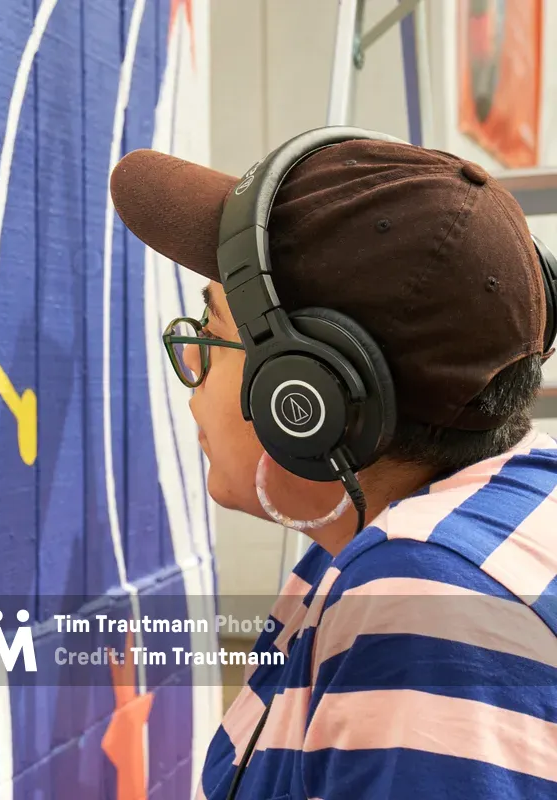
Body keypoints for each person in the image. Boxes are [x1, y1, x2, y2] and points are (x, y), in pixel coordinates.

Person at [110, 127, 557, 799]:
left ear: (306, 395)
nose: (194, 366)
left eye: (214, 334)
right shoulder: (499, 500)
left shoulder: (425, 606)